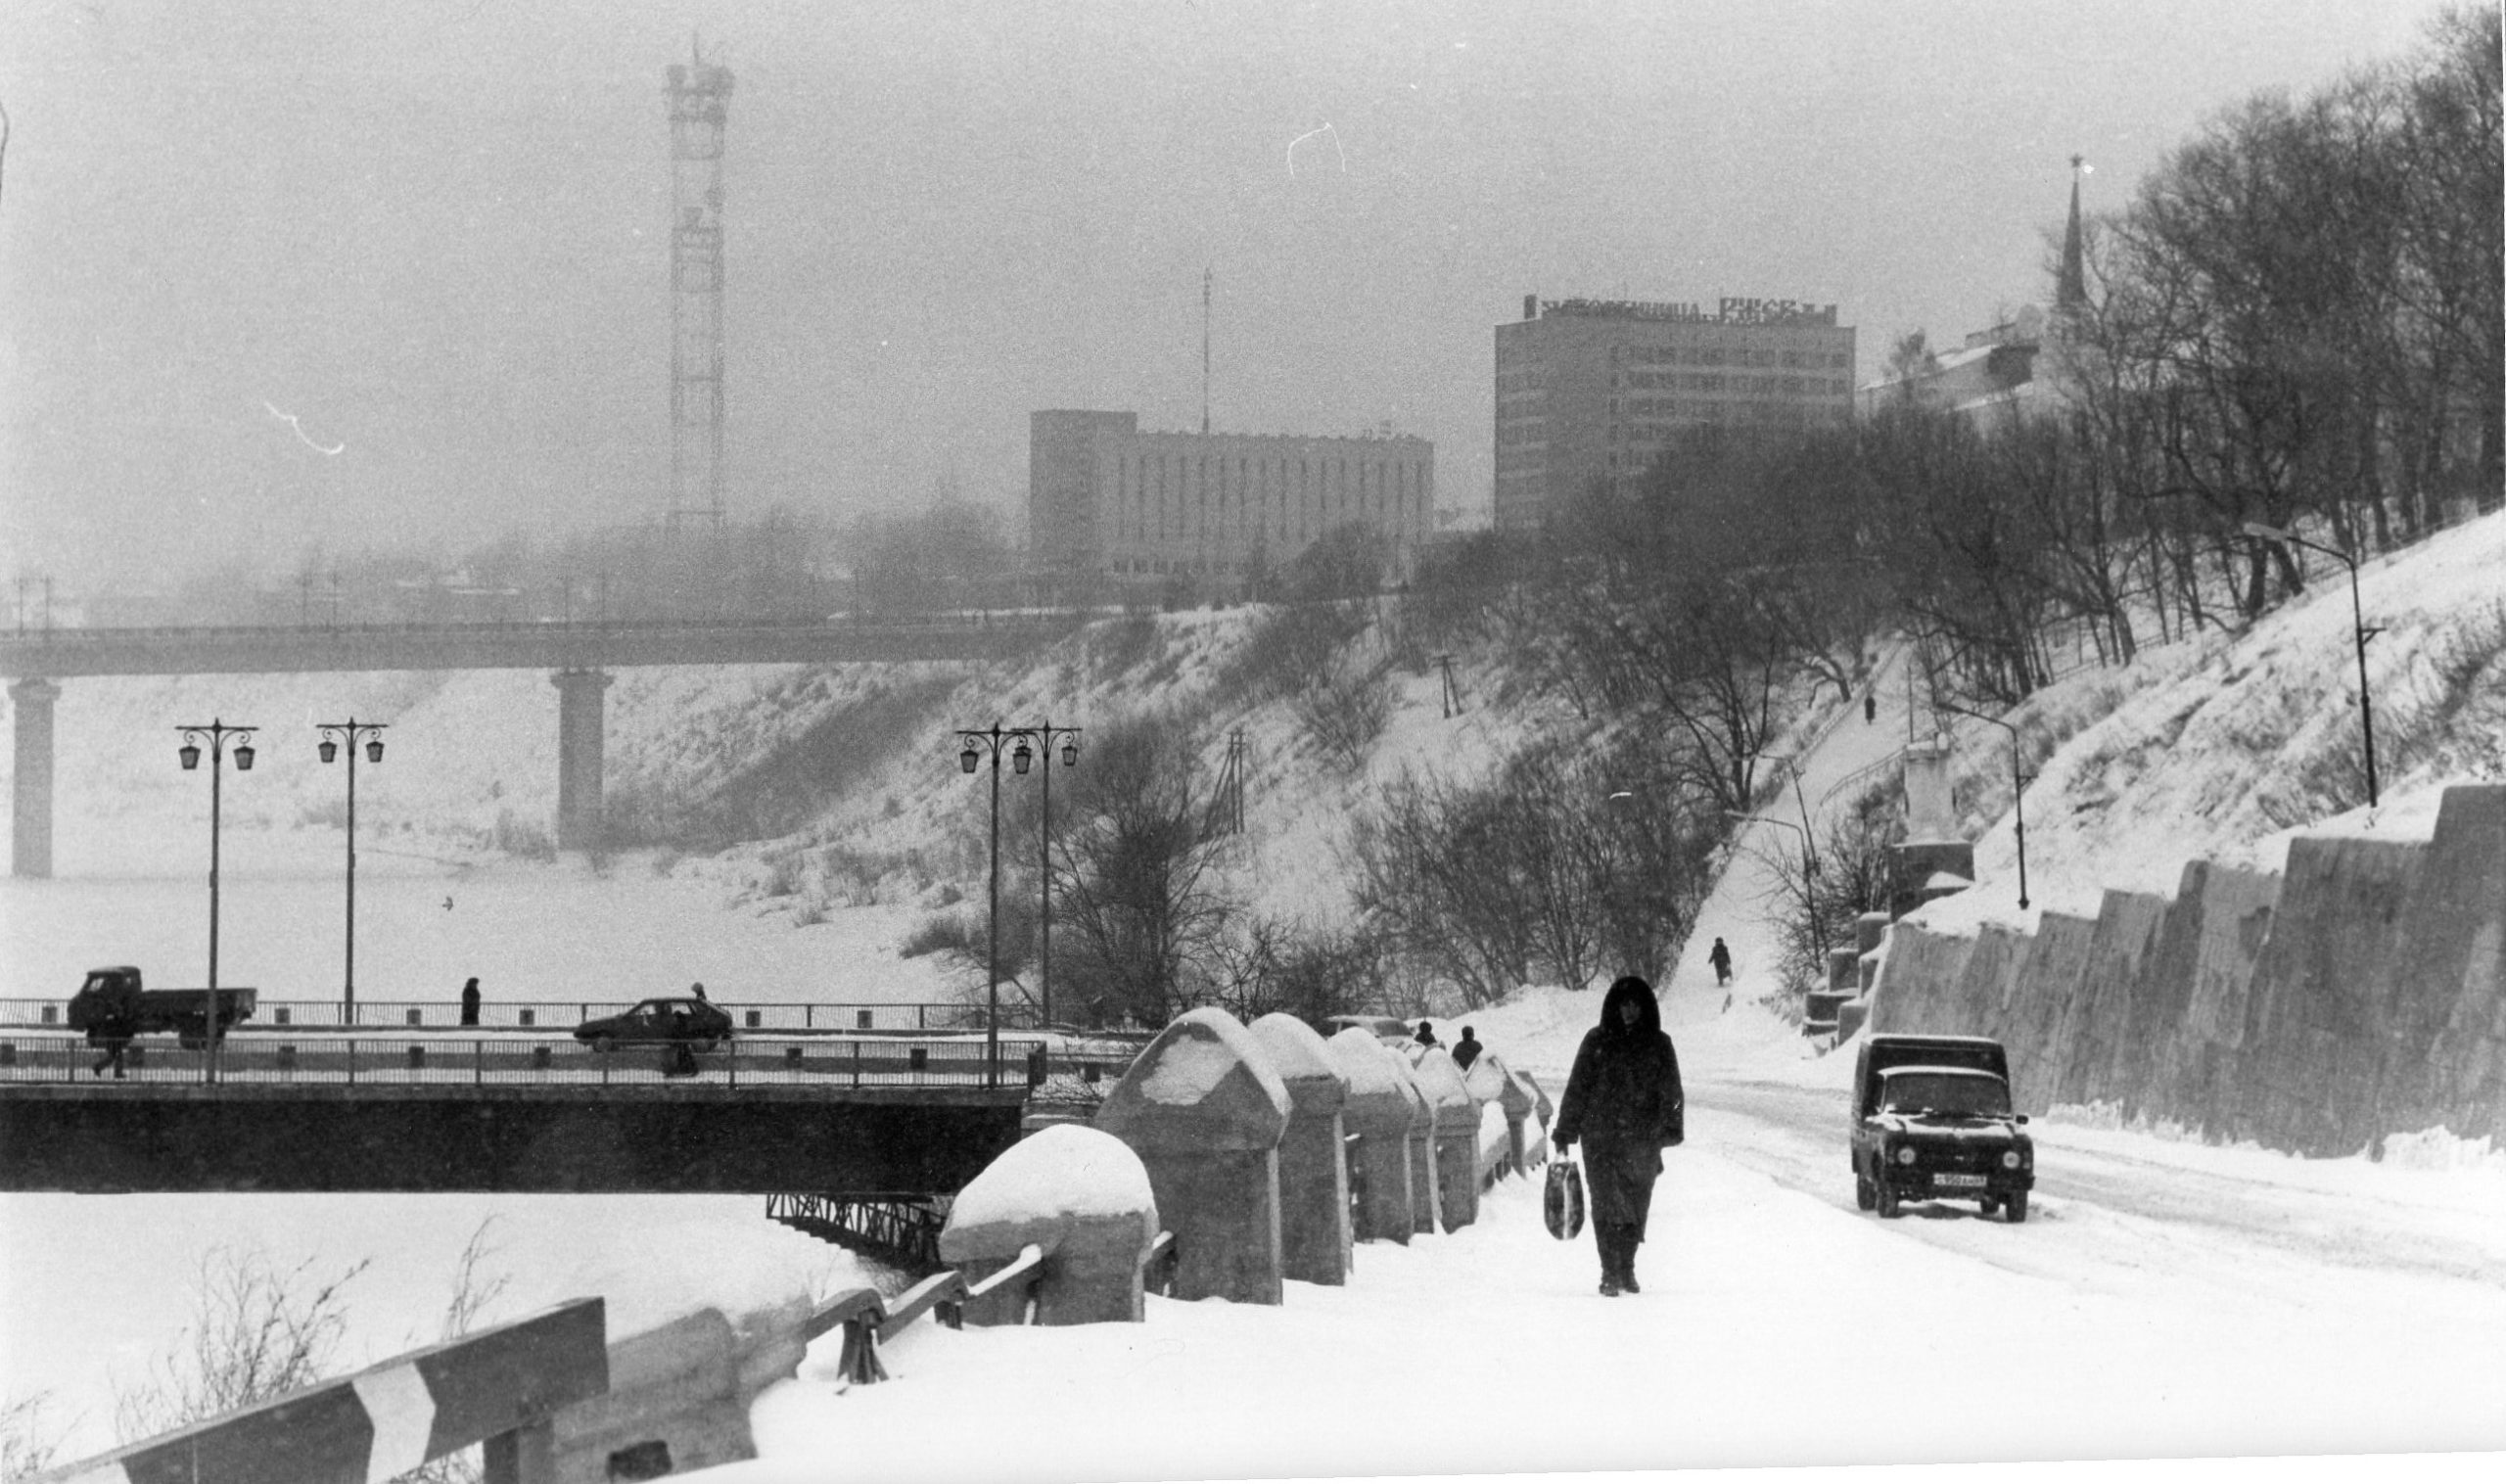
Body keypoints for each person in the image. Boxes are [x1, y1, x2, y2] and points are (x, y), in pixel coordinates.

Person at [1551, 974, 1684, 1297]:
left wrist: (1669, 1128)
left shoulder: (1659, 1044)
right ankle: (1609, 1270)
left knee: (1636, 1205)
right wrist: (1565, 1130)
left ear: (1645, 1007)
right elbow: (1578, 1086)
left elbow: (1671, 1089)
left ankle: (1627, 1266)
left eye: (1635, 1005)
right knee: (1605, 1204)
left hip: (1643, 1140)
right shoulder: (1597, 1041)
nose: (1629, 1011)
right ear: (1614, 1006)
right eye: (1624, 1005)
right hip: (1600, 1138)